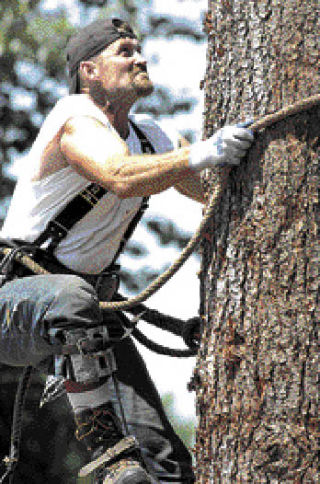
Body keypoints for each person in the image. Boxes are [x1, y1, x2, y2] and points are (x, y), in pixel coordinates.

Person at [0, 18, 254, 484]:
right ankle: (108, 453)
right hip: (17, 300)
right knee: (72, 298)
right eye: (125, 51)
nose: (140, 58)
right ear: (90, 71)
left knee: (166, 465)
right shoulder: (74, 118)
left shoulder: (150, 138)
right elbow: (118, 175)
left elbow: (209, 189)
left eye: (139, 49)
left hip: (88, 311)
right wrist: (201, 153)